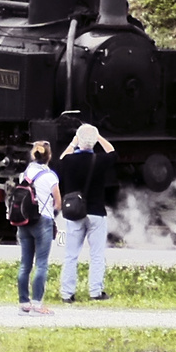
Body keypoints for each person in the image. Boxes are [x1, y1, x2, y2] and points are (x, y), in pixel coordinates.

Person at [52, 122, 116, 302]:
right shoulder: (101, 160)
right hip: (96, 213)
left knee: (71, 255)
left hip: (74, 213)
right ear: (94, 142)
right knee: (96, 255)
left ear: (79, 140)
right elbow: (112, 152)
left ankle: (67, 294)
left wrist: (74, 142)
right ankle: (95, 292)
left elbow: (61, 160)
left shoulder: (69, 161)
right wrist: (98, 137)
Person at [15, 140, 60, 314]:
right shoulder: (50, 176)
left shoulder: (24, 174)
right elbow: (58, 202)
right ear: (49, 157)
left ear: (33, 155)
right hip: (43, 221)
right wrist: (53, 214)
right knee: (41, 264)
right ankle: (37, 305)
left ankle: (23, 304)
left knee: (25, 264)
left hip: (24, 222)